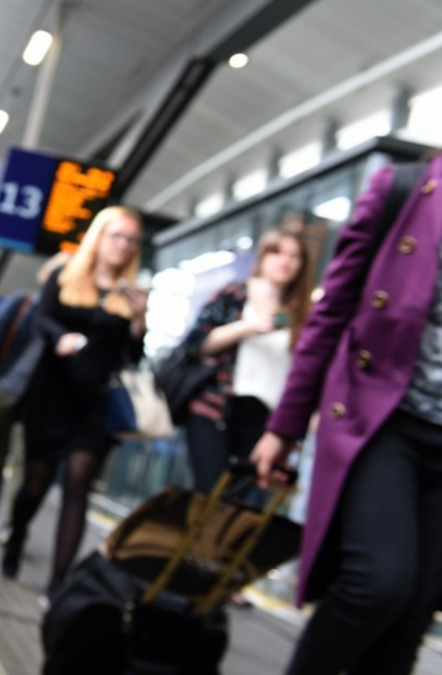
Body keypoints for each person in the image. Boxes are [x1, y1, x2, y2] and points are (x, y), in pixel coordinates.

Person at [252, 160, 442, 674]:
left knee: (413, 612)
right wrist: (285, 426)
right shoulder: (404, 191)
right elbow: (331, 311)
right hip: (382, 422)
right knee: (378, 584)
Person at [0, 206, 148, 599]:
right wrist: (60, 339)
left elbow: (133, 358)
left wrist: (138, 321)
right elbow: (42, 320)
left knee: (78, 486)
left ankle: (57, 583)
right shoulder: (65, 276)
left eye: (131, 240)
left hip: (95, 407)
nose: (123, 245)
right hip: (51, 396)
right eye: (117, 236)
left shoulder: (129, 294)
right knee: (35, 483)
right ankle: (16, 537)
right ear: (99, 236)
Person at [184, 229, 312, 493]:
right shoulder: (234, 295)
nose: (285, 261)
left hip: (264, 419)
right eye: (278, 252)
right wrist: (246, 327)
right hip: (217, 408)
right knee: (209, 493)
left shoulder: (301, 313)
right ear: (263, 256)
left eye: (294, 256)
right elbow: (197, 343)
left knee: (243, 500)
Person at [0, 256, 69, 538]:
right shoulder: (23, 303)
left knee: (24, 464)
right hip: (4, 392)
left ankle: (11, 523)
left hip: (36, 403)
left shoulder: (68, 321)